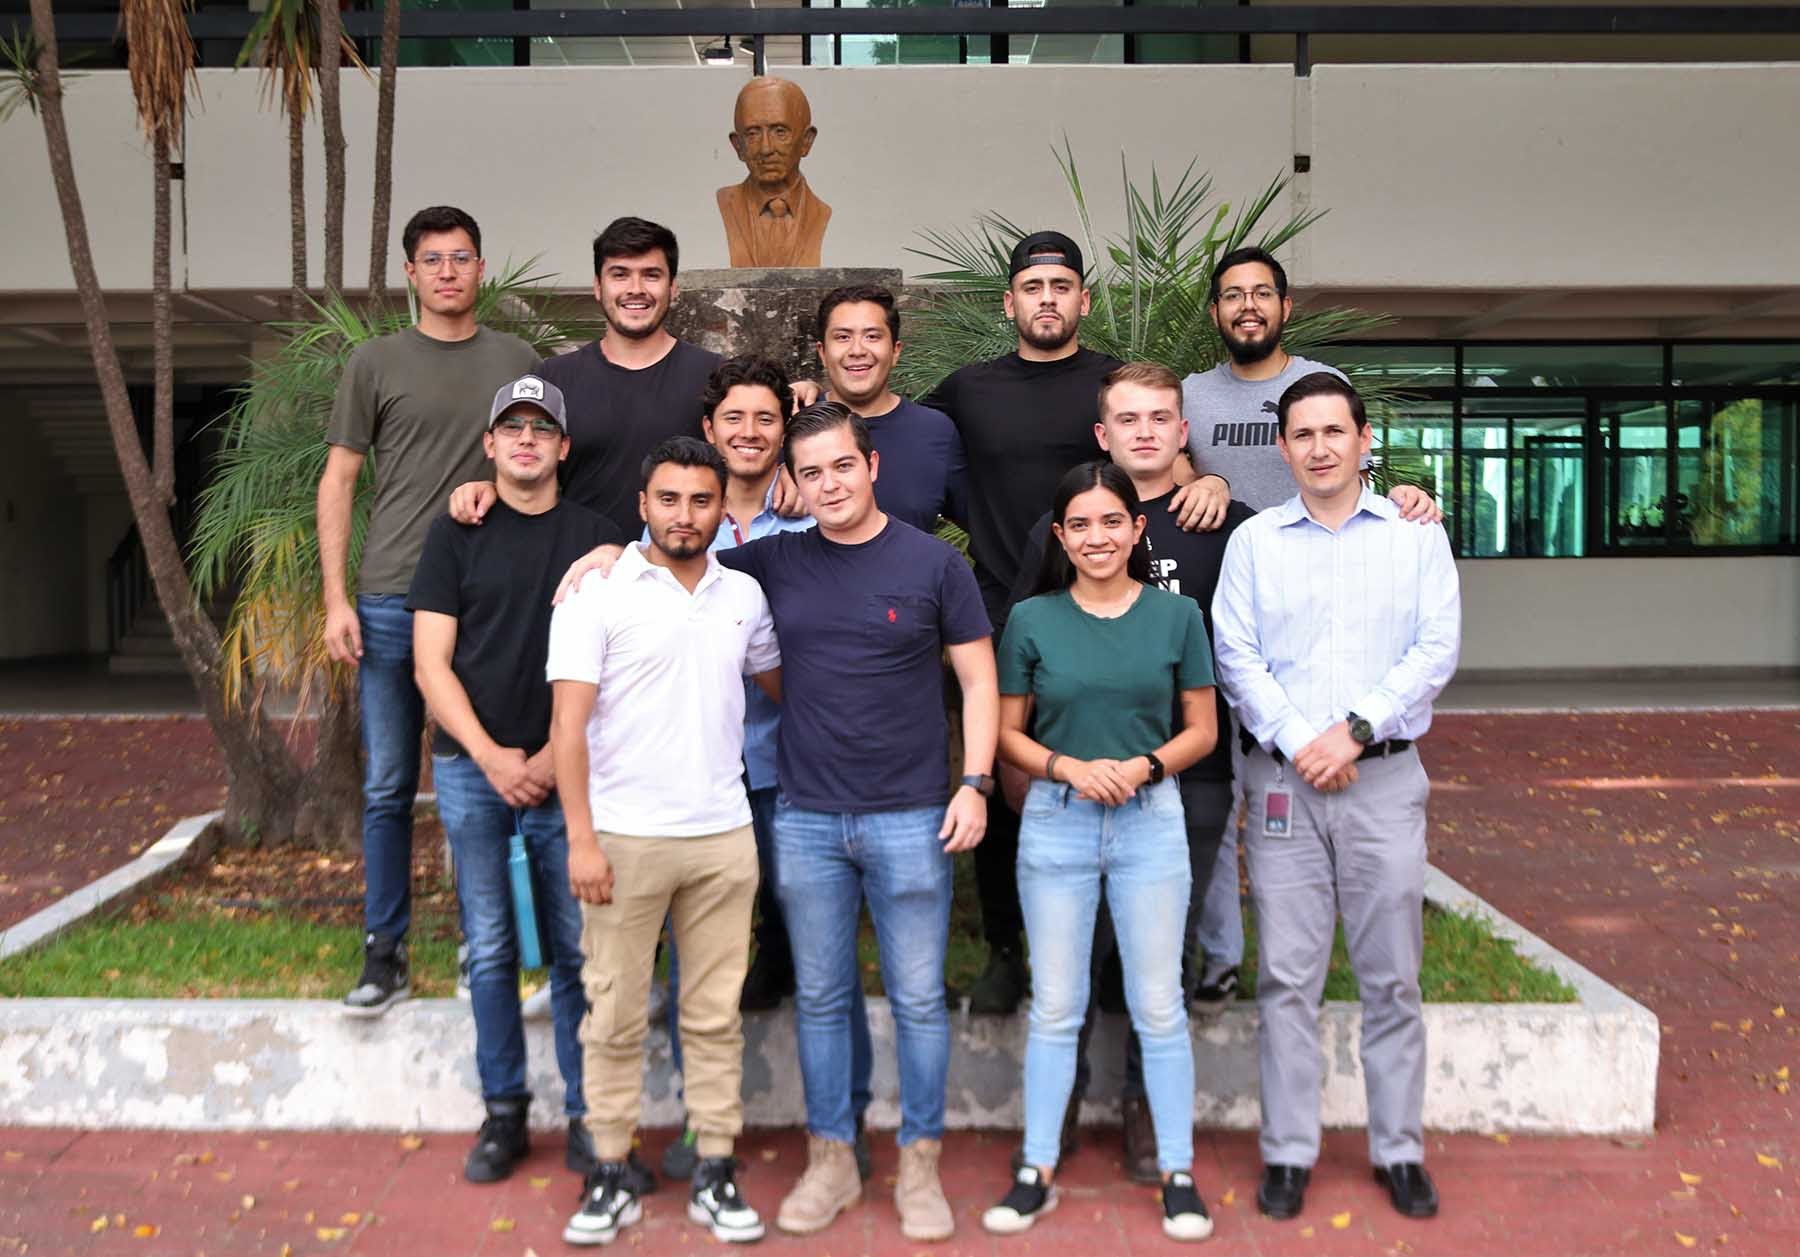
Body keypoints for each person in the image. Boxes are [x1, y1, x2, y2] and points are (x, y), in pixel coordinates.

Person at [925, 230, 1229, 1019]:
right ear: (1011, 302)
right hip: (1002, 604)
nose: (1049, 298)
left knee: (1116, 770)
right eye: (1034, 287)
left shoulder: (1111, 385)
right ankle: (1004, 952)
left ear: (1083, 300)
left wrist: (1211, 479)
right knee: (999, 774)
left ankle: (1124, 960)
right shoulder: (968, 388)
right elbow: (892, 434)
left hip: (1113, 602)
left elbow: (1160, 443)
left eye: (1063, 286)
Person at [1211, 372, 1460, 1224]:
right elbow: (1235, 654)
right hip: (1283, 780)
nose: (1319, 447)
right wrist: (1298, 740)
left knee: (1393, 976)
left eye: (1334, 431)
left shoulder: (1416, 535)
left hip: (1383, 777)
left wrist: (1352, 730)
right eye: (1302, 434)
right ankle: (1287, 1151)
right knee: (1286, 975)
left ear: (1362, 440)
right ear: (1282, 448)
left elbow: (1436, 648)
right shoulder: (1255, 543)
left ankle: (1399, 1148)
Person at [1179, 245, 1442, 1010]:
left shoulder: (1320, 384)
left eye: (1263, 293)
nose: (1248, 306)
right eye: (1233, 295)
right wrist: (1206, 477)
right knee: (1222, 793)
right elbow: (1164, 464)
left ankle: (1331, 945)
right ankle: (1224, 954)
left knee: (1308, 786)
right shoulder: (1193, 393)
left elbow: (1359, 456)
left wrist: (1409, 492)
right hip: (1220, 611)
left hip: (1313, 622)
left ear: (1285, 308)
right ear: (1217, 313)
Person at [1012, 362, 1253, 1183]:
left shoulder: (1224, 521)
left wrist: (1404, 498)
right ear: (1102, 434)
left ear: (1183, 432)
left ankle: (1148, 1121)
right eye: (1128, 417)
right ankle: (1065, 1108)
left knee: (1164, 962)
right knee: (1073, 962)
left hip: (1191, 776)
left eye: (1162, 417)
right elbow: (1020, 683)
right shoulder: (1073, 530)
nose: (1146, 430)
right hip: (1069, 787)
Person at [548, 437, 781, 1247]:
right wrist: (580, 838)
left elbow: (779, 679)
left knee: (713, 1016)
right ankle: (609, 1168)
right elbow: (567, 728)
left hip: (722, 837)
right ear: (642, 504)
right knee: (612, 1013)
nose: (686, 516)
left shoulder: (744, 595)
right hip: (622, 838)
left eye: (701, 501)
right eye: (669, 500)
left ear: (723, 508)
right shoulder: (596, 594)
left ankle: (715, 1164)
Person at [981, 460, 1218, 1242]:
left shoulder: (1175, 618)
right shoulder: (1034, 619)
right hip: (1056, 818)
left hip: (1151, 819)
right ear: (1060, 535)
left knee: (1158, 1003)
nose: (1097, 537)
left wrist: (1146, 765)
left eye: (1111, 521)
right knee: (1056, 1005)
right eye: (1079, 524)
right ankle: (1036, 1167)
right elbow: (1007, 730)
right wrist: (1066, 766)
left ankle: (1178, 1170)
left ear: (1137, 527)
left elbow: (1203, 729)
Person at [656, 357, 876, 1188]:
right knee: (699, 960)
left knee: (825, 958)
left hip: (799, 773)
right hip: (701, 780)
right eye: (734, 419)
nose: (749, 433)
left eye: (766, 420)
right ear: (709, 429)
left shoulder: (811, 520)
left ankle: (843, 1121)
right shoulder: (677, 524)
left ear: (786, 431)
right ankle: (699, 1118)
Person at [319, 205, 538, 1017]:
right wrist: (336, 596)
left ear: (481, 268)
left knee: (480, 772)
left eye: (462, 257)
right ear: (410, 273)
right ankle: (385, 951)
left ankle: (491, 944)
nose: (448, 271)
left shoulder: (517, 359)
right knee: (386, 784)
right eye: (433, 259)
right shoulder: (374, 362)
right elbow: (338, 479)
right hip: (386, 598)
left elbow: (543, 455)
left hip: (482, 603)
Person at [406, 375, 620, 1183]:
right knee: (489, 948)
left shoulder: (601, 537)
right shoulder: (454, 535)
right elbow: (431, 662)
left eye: (542, 427)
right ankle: (503, 1112)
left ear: (563, 447)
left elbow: (620, 671)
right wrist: (494, 756)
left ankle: (583, 1113)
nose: (526, 438)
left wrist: (545, 759)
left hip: (567, 772)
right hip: (472, 773)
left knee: (575, 950)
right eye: (511, 427)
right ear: (490, 445)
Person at [815, 283, 966, 533]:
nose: (857, 350)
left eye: (872, 336)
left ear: (896, 351)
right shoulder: (794, 424)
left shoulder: (934, 432)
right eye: (843, 337)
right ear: (822, 352)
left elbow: (984, 527)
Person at [717, 76, 832, 267]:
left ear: (806, 141)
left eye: (780, 132)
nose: (766, 149)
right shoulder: (726, 204)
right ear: (738, 146)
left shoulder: (821, 213)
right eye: (752, 134)